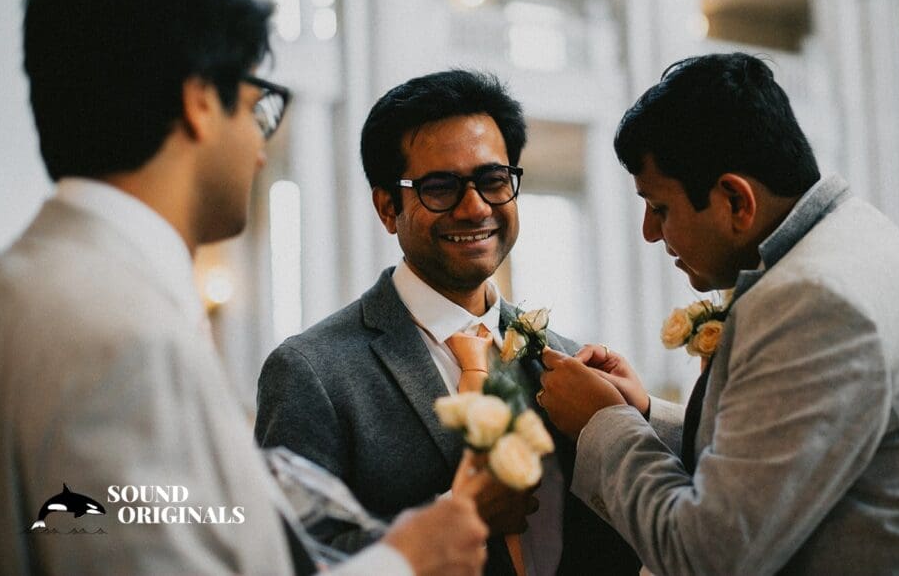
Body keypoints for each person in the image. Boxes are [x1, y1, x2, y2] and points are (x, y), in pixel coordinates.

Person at [0, 0, 486, 576]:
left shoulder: (8, 291)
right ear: (198, 101)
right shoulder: (123, 335)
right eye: (255, 106)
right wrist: (405, 563)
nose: (258, 145)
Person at [537, 52, 899, 576]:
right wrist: (645, 414)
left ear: (736, 200)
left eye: (660, 207)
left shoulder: (813, 300)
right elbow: (779, 465)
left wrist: (604, 423)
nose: (649, 231)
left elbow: (707, 555)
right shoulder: (847, 237)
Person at [255, 69, 641, 576]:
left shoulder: (563, 361)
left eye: (493, 180)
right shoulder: (311, 372)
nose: (475, 207)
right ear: (388, 207)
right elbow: (284, 559)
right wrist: (455, 515)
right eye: (440, 187)